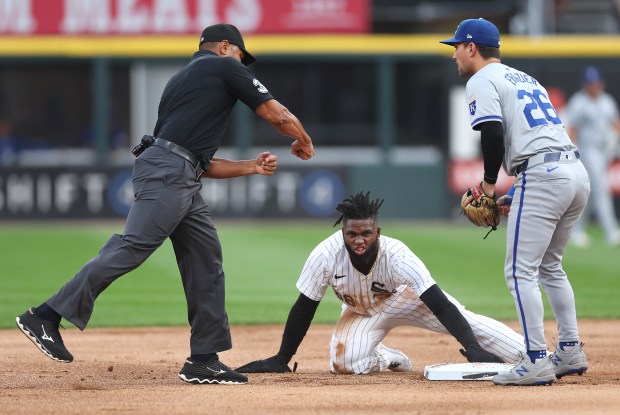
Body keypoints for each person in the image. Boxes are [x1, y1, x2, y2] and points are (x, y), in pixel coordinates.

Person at [15, 23, 315, 386]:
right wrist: (302, 138)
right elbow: (276, 114)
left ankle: (203, 359)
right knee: (133, 246)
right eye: (240, 53)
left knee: (206, 257)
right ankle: (45, 315)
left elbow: (198, 161)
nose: (242, 62)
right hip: (170, 171)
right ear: (223, 47)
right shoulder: (223, 66)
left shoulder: (181, 81)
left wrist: (251, 166)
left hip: (178, 171)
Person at [440, 18, 590, 386]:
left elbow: (492, 132)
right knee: (551, 266)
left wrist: (489, 185)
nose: (455, 54)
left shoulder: (481, 80)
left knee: (520, 271)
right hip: (574, 173)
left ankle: (536, 359)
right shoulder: (523, 77)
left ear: (472, 48)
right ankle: (569, 350)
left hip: (543, 176)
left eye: (457, 46)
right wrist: (518, 189)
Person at [235, 191, 525, 376]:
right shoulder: (325, 255)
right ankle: (387, 357)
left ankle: (540, 354)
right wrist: (283, 357)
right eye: (352, 234)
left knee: (492, 338)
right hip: (360, 312)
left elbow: (438, 302)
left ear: (378, 231)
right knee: (344, 364)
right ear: (342, 231)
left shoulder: (398, 256)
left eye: (366, 233)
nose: (359, 240)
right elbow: (304, 307)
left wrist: (471, 347)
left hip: (407, 299)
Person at [564, 66, 620, 247]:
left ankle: (575, 230)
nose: (593, 86)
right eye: (590, 83)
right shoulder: (579, 102)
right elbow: (572, 129)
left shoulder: (607, 101)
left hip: (606, 151)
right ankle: (611, 231)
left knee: (587, 192)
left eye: (595, 83)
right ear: (585, 85)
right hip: (587, 151)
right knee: (601, 190)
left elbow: (615, 124)